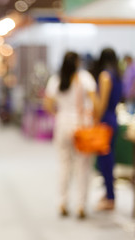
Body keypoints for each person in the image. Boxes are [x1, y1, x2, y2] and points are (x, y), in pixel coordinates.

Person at [44, 52, 96, 219]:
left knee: (64, 165)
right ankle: (81, 204)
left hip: (62, 124)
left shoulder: (56, 80)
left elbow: (48, 104)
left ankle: (62, 202)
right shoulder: (85, 78)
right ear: (77, 62)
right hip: (81, 125)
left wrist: (59, 114)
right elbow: (96, 103)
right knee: (83, 166)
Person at [93, 48, 122, 211]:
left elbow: (102, 103)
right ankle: (109, 194)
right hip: (113, 118)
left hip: (105, 120)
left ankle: (110, 197)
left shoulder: (105, 76)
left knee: (106, 160)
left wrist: (96, 119)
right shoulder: (117, 75)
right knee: (108, 157)